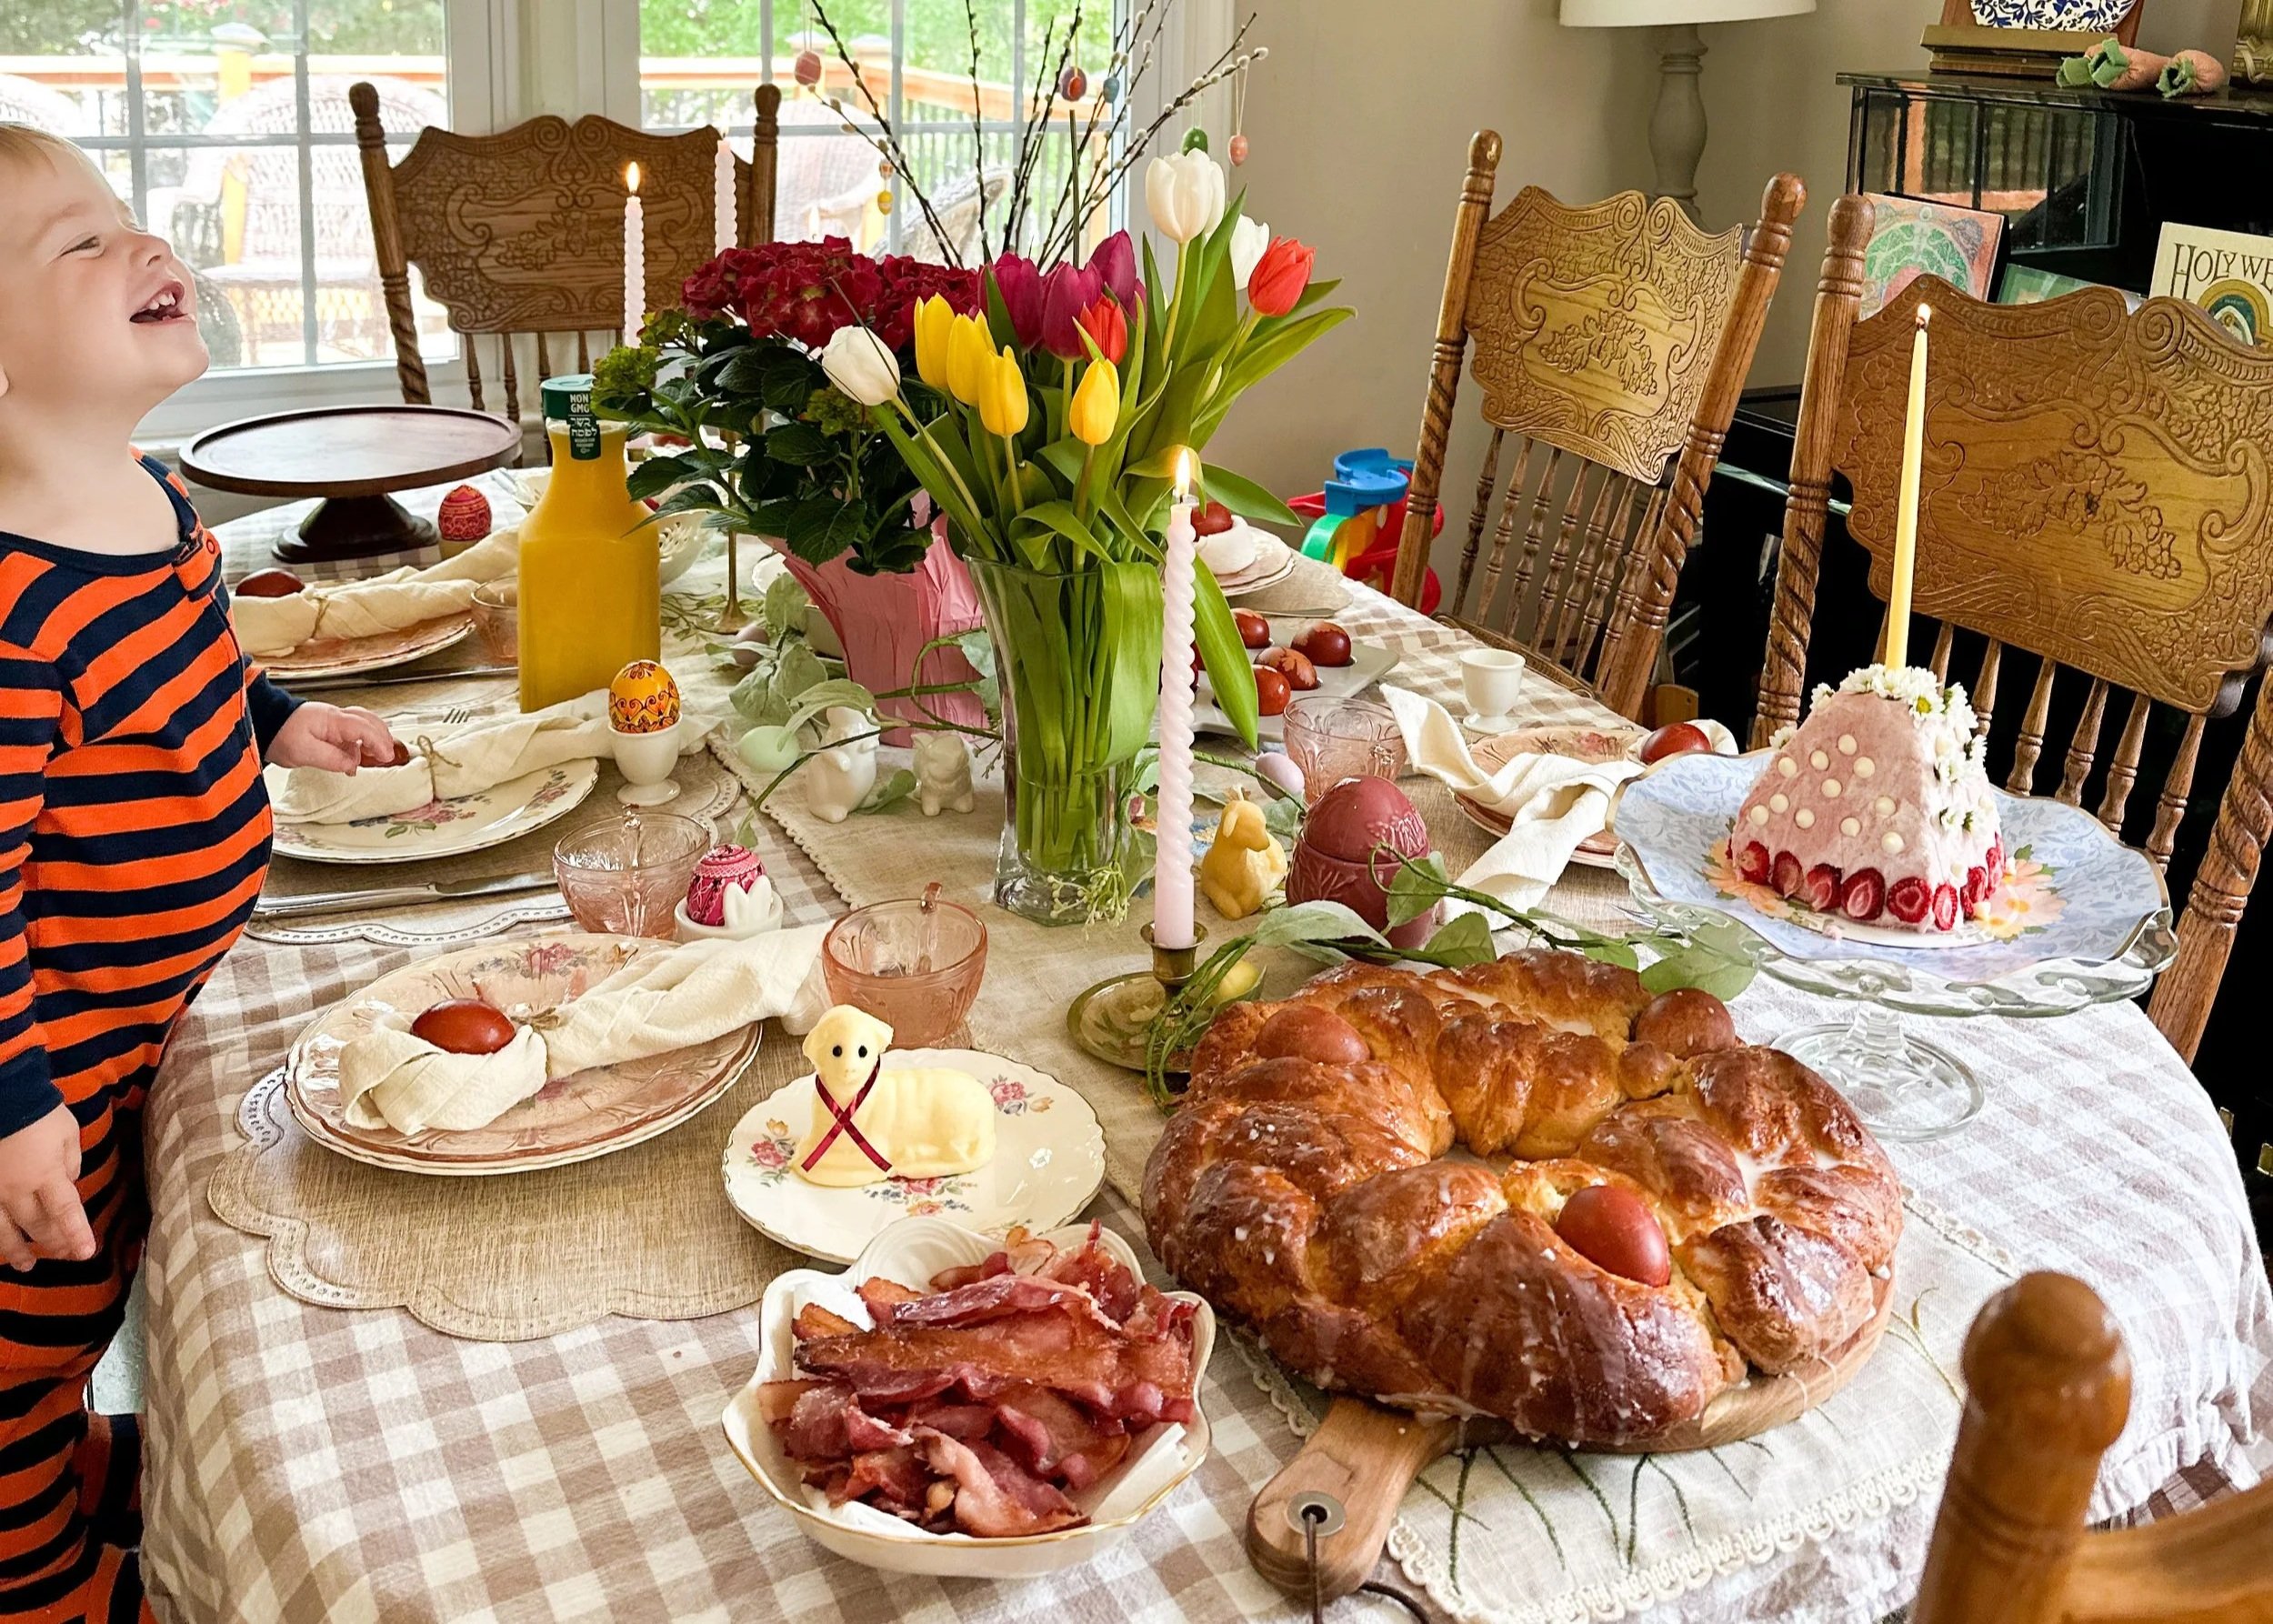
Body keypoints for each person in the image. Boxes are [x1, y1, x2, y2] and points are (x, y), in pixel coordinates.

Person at [0, 122, 401, 1620]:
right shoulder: (13, 605)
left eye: (127, 218)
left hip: (135, 1028)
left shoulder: (157, 500)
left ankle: (76, 1458)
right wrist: (15, 1105)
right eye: (81, 246)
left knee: (93, 1293)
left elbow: (187, 671)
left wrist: (284, 721)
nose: (144, 245)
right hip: (45, 1056)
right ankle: (36, 1578)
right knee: (25, 1328)